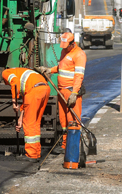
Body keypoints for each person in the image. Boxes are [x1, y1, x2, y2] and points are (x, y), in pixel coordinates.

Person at [37, 30, 87, 170]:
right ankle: (65, 145)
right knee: (64, 120)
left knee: (73, 120)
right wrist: (49, 70)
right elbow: (62, 67)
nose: (64, 48)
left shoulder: (79, 54)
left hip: (71, 91)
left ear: (72, 43)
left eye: (66, 46)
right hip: (61, 90)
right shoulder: (65, 51)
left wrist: (74, 93)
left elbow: (79, 76)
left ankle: (73, 149)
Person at [1, 67, 51, 162]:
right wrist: (20, 119)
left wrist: (14, 100)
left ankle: (31, 154)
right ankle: (36, 152)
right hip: (45, 89)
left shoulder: (5, 73)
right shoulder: (23, 73)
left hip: (35, 91)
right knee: (36, 122)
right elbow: (26, 105)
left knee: (29, 124)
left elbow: (14, 82)